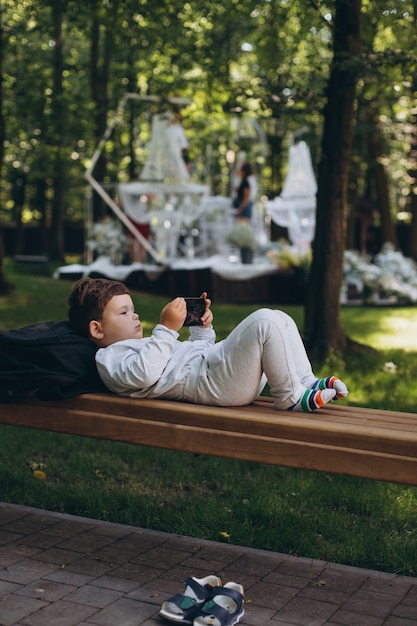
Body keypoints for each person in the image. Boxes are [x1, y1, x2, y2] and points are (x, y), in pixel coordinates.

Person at [68, 277, 348, 413]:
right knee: (264, 321)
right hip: (212, 385)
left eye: (133, 309)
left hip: (212, 370)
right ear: (97, 328)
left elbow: (192, 355)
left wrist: (201, 330)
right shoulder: (109, 359)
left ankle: (305, 381)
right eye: (124, 313)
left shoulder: (145, 346)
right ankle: (288, 397)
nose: (135, 315)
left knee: (279, 317)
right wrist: (165, 330)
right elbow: (143, 375)